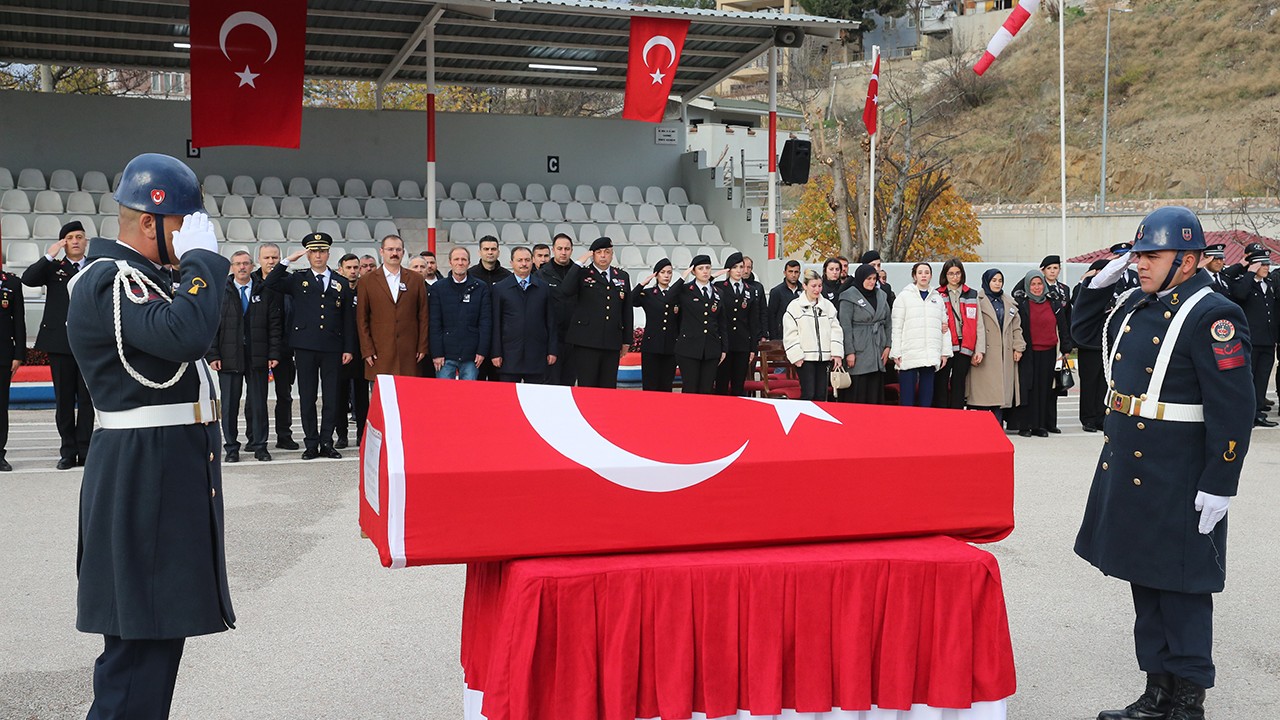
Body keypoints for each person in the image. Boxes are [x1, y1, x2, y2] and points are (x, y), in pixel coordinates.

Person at [68, 153, 234, 719]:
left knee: (158, 640)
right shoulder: (109, 280)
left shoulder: (145, 280)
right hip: (141, 478)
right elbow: (184, 333)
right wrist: (204, 262)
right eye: (183, 223)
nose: (190, 233)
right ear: (149, 221)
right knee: (137, 652)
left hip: (160, 473)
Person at [1072, 206, 1253, 720]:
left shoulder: (1212, 315)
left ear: (1189, 260)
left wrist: (1221, 481)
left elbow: (1233, 409)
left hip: (1181, 473)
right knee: (1145, 581)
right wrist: (1096, 284)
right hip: (1132, 468)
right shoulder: (1135, 304)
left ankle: (1188, 700)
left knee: (1184, 588)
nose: (1141, 264)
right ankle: (1157, 693)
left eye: (1152, 255)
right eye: (1138, 255)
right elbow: (1085, 334)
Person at [264, 233, 357, 460]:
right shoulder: (297, 278)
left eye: (322, 251)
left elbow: (347, 319)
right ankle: (311, 443)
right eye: (313, 251)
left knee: (332, 397)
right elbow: (270, 282)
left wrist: (348, 348)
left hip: (332, 347)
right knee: (307, 397)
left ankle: (327, 441)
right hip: (305, 346)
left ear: (328, 254)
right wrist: (288, 261)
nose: (318, 255)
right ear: (308, 254)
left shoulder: (341, 282)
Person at [21, 220, 94, 469]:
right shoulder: (54, 268)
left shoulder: (94, 267)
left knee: (86, 400)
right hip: (60, 344)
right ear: (64, 243)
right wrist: (49, 255)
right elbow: (28, 279)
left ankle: (85, 449)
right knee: (64, 400)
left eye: (80, 237)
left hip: (88, 344)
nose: (75, 241)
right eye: (70, 237)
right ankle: (67, 451)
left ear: (86, 241)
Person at [207, 250, 282, 463]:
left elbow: (274, 326)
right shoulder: (221, 291)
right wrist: (213, 354)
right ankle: (231, 448)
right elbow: (211, 326)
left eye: (246, 263)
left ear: (251, 266)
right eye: (238, 264)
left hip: (258, 356)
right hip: (229, 357)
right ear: (231, 267)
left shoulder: (264, 290)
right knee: (229, 406)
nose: (242, 267)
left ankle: (260, 447)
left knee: (259, 404)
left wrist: (273, 353)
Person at [557, 237, 632, 389]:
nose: (603, 256)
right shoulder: (583, 273)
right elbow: (565, 290)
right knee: (588, 385)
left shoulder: (622, 276)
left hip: (611, 340)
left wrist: (626, 340)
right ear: (593, 255)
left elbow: (627, 310)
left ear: (612, 254)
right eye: (599, 252)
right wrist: (579, 263)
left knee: (608, 386)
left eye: (607, 252)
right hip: (586, 341)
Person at [357, 234, 429, 381]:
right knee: (382, 399)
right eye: (390, 249)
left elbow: (423, 315)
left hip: (410, 352)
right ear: (381, 251)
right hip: (380, 351)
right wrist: (367, 349)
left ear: (403, 252)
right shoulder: (367, 281)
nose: (394, 253)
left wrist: (422, 346)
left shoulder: (416, 279)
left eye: (398, 249)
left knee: (408, 399)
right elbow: (362, 318)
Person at [1222, 242, 1277, 427]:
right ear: (1253, 265)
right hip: (1251, 339)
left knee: (1262, 378)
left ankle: (1259, 412)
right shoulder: (1243, 282)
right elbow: (1239, 295)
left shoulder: (1268, 284)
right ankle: (1247, 413)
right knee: (1249, 379)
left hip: (1268, 340)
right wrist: (1249, 271)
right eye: (1262, 264)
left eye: (1267, 264)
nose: (1266, 268)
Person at [1013, 270, 1070, 437]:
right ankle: (1025, 425)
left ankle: (1041, 426)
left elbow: (1063, 326)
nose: (1037, 287)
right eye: (1033, 284)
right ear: (1027, 286)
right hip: (1028, 352)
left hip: (1049, 352)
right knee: (1028, 388)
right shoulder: (1021, 303)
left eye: (1039, 284)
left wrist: (1066, 348)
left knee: (1045, 389)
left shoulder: (1053, 302)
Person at [253, 243, 298, 451]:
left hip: (284, 347)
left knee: (284, 395)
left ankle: (284, 435)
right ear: (259, 260)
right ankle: (254, 436)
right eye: (267, 258)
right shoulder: (251, 282)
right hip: (256, 348)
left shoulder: (289, 282)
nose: (271, 262)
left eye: (275, 258)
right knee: (255, 395)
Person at [490, 246, 558, 383]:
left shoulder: (544, 288)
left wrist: (552, 350)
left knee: (534, 400)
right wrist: (496, 352)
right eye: (519, 260)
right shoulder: (500, 288)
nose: (523, 264)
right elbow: (496, 323)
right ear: (511, 263)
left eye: (527, 260)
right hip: (509, 356)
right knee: (508, 400)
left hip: (536, 355)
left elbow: (551, 322)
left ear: (532, 261)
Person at [890, 262, 951, 407]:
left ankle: (924, 428)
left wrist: (945, 352)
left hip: (930, 353)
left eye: (927, 272)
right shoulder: (904, 297)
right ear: (914, 275)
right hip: (909, 352)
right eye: (920, 272)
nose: (924, 275)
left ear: (931, 276)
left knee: (926, 398)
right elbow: (897, 326)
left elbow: (945, 327)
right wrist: (896, 351)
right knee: (907, 399)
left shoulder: (937, 298)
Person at [967, 269, 1024, 424]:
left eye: (1000, 280)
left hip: (1004, 353)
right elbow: (972, 327)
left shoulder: (1009, 302)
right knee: (984, 396)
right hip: (984, 353)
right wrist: (974, 350)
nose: (997, 284)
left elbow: (1016, 327)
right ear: (987, 281)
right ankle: (984, 428)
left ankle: (997, 427)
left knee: (1000, 395)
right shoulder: (977, 300)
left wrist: (1018, 347)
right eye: (994, 280)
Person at [665, 254, 727, 395]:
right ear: (694, 271)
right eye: (700, 268)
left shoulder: (718, 293)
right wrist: (682, 278)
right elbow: (668, 299)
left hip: (711, 348)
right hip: (689, 348)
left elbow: (722, 323)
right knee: (690, 387)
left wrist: (724, 348)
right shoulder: (685, 290)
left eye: (708, 268)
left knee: (707, 389)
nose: (705, 271)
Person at [429, 247, 491, 380]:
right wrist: (437, 353)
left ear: (469, 262)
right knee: (444, 396)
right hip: (445, 356)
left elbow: (485, 322)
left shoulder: (481, 287)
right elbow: (434, 323)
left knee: (468, 397)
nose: (460, 262)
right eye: (456, 259)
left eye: (464, 259)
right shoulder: (438, 288)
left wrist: (482, 351)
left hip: (472, 356)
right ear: (450, 262)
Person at [783, 269, 844, 401]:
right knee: (808, 394)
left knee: (821, 395)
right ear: (805, 286)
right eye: (813, 286)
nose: (817, 289)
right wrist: (796, 356)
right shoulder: (794, 307)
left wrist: (837, 353)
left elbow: (836, 330)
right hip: (805, 358)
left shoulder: (827, 306)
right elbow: (790, 334)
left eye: (820, 286)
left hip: (824, 358)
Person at [934, 258, 986, 409]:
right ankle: (942, 415)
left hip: (966, 346)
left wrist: (979, 349)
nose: (954, 277)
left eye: (957, 273)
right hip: (945, 346)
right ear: (945, 275)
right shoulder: (938, 294)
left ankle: (957, 415)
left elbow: (979, 324)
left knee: (959, 383)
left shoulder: (971, 294)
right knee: (941, 381)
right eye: (950, 274)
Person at [838, 263, 891, 404]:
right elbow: (845, 327)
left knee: (875, 390)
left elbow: (888, 323)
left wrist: (887, 346)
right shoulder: (848, 297)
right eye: (868, 278)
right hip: (859, 350)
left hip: (877, 349)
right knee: (859, 390)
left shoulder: (881, 295)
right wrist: (849, 352)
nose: (872, 282)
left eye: (874, 278)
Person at [714, 251, 763, 396]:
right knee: (721, 384)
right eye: (735, 267)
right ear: (728, 269)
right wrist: (717, 274)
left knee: (738, 385)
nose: (739, 270)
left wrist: (753, 348)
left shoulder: (751, 291)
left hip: (742, 344)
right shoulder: (719, 287)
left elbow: (753, 322)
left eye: (741, 267)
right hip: (725, 344)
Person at [1072, 259, 1112, 432]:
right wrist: (1083, 280)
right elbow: (1075, 299)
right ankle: (1088, 419)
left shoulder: (1112, 289)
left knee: (1104, 384)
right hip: (1088, 344)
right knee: (1089, 384)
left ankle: (1101, 417)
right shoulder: (1086, 289)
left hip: (1105, 343)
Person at [334, 253, 368, 449]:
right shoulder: (336, 289)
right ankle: (342, 435)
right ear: (341, 269)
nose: (353, 271)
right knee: (339, 395)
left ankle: (362, 434)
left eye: (356, 267)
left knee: (362, 396)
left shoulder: (366, 289)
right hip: (340, 351)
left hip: (362, 350)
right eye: (349, 268)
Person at [631, 258, 680, 392]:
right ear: (656, 274)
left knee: (666, 385)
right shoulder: (648, 293)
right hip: (652, 344)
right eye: (662, 272)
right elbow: (631, 300)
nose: (666, 275)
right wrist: (642, 284)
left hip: (670, 345)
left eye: (669, 272)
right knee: (650, 384)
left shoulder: (677, 295)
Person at [1039, 255, 1074, 432]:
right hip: (1042, 340)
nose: (1053, 271)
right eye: (1049, 268)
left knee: (1055, 384)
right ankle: (1040, 421)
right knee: (1042, 384)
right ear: (1043, 270)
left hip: (1059, 340)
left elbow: (1067, 319)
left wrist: (1067, 345)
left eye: (1056, 268)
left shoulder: (1064, 290)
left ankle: (1051, 423)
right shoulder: (1037, 286)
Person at [537, 233, 577, 386]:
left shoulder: (579, 272)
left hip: (573, 340)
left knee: (569, 384)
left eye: (567, 249)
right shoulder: (541, 274)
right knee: (550, 385)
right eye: (560, 248)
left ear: (572, 250)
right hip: (550, 340)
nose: (563, 252)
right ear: (553, 250)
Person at [0, 263, 25, 471]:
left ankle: (0, 453)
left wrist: (18, 354)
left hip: (3, 354)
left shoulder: (12, 283)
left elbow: (19, 321)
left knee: (0, 407)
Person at [768, 260, 802, 341]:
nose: (793, 275)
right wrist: (774, 338)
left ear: (799, 273)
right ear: (785, 273)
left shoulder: (805, 291)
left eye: (796, 272)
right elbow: (771, 316)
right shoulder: (776, 292)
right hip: (782, 336)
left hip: (801, 335)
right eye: (790, 271)